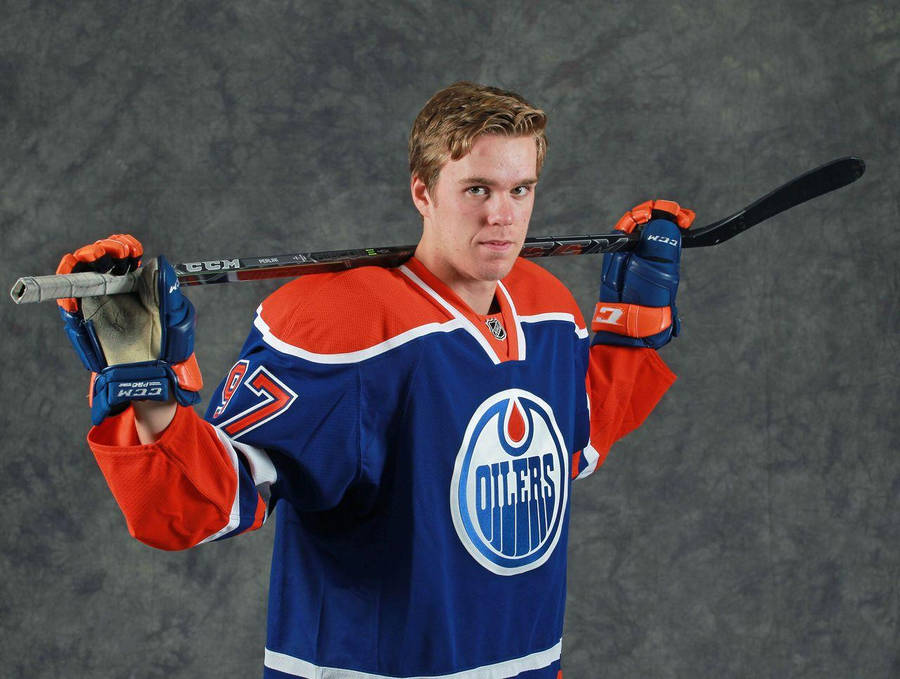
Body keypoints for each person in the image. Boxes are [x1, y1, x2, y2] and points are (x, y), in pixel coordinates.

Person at [56, 82, 694, 679]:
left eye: (520, 189)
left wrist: (631, 329)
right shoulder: (345, 326)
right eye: (477, 190)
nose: (503, 216)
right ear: (423, 192)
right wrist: (149, 397)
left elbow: (576, 439)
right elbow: (209, 499)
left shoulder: (546, 306)